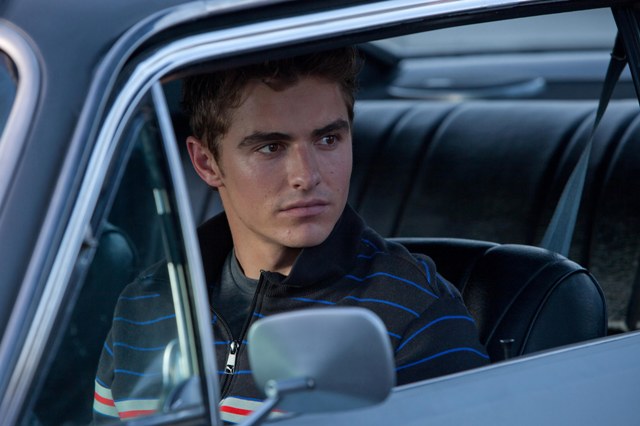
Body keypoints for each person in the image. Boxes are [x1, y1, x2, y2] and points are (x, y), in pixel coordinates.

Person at [93, 46, 488, 424]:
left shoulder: (413, 315)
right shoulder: (146, 304)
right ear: (207, 162)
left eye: (328, 139)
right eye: (271, 147)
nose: (306, 176)